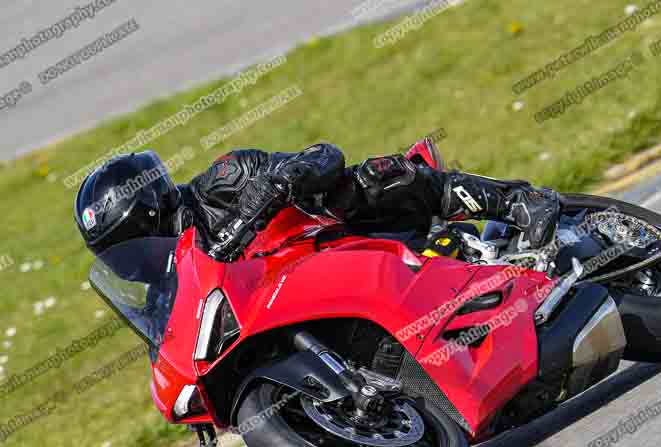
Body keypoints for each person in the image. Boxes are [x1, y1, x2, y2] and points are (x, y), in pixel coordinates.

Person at [73, 143, 560, 261]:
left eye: (129, 246)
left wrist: (280, 182)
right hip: (319, 296)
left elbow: (323, 155)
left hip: (353, 237)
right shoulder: (178, 281)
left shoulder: (221, 181)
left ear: (149, 213)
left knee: (368, 178)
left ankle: (519, 202)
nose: (132, 263)